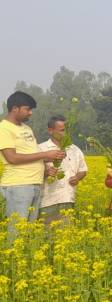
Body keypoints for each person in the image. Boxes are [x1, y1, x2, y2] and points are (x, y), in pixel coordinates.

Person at [0, 91, 65, 242]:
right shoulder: (4, 129)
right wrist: (45, 155)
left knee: (28, 232)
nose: (30, 113)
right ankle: (12, 263)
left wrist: (45, 169)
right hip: (18, 185)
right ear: (15, 108)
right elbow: (12, 158)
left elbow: (32, 152)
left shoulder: (26, 129)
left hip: (34, 184)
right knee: (17, 232)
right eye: (27, 109)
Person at [38, 115, 88, 225]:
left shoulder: (74, 149)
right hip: (48, 201)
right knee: (47, 237)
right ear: (50, 130)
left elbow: (83, 170)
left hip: (68, 199)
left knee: (66, 237)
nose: (65, 133)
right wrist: (46, 173)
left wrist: (77, 177)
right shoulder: (41, 149)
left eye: (67, 130)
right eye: (62, 130)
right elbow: (32, 174)